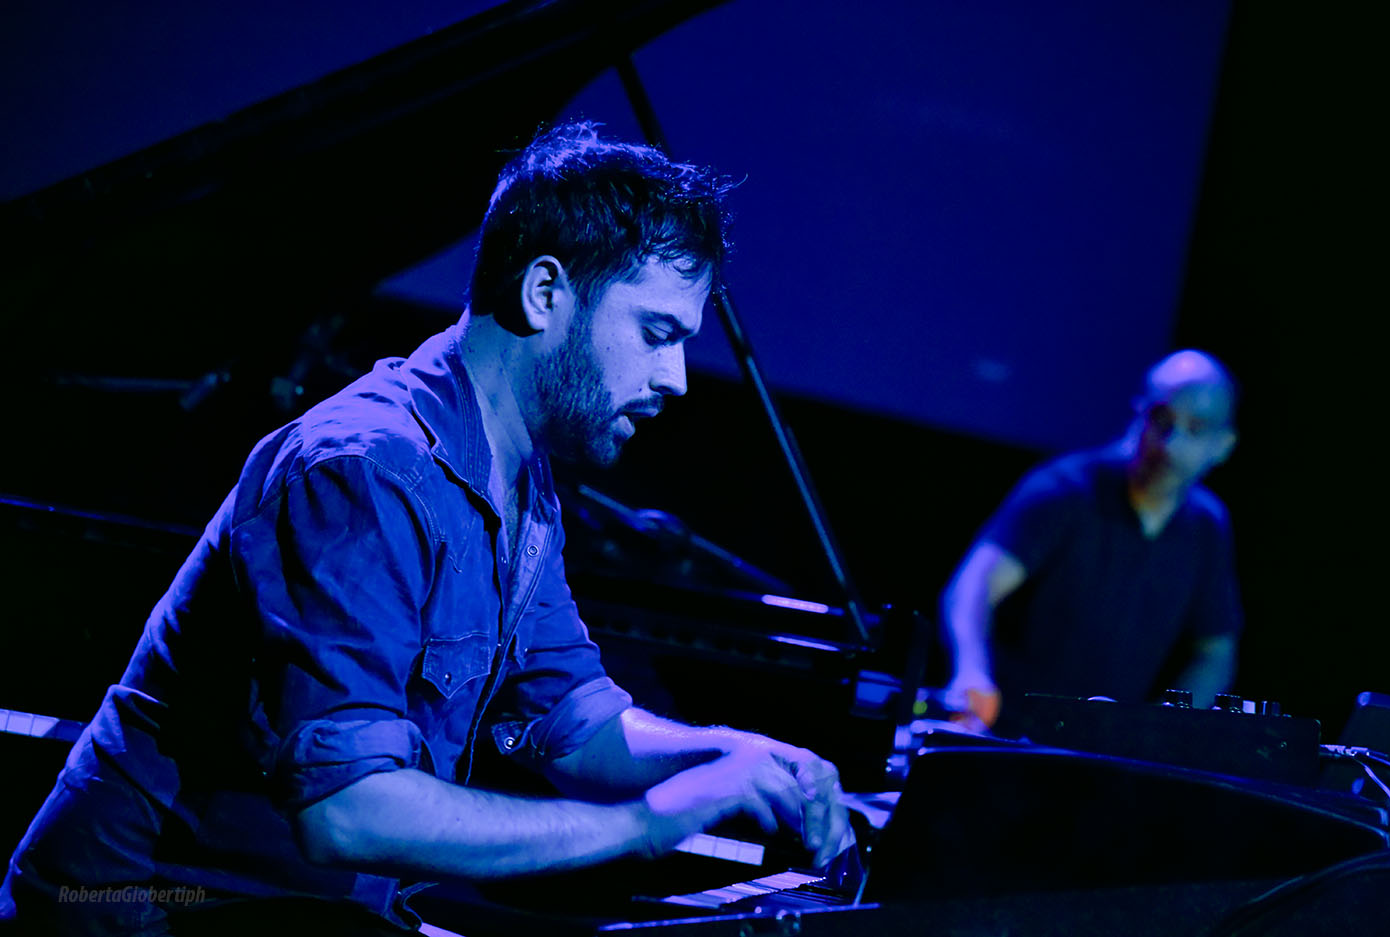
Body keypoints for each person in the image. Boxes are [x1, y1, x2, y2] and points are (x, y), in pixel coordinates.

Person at [0, 123, 852, 936]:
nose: (677, 380)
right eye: (656, 332)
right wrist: (647, 821)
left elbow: (574, 723)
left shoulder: (522, 476)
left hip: (300, 915)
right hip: (145, 912)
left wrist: (742, 757)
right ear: (545, 291)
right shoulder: (365, 471)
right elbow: (348, 812)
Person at [937, 349, 1243, 730]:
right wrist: (971, 671)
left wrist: (1162, 726)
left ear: (1224, 444)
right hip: (1007, 735)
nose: (1171, 443)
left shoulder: (1207, 526)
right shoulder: (1065, 490)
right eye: (1161, 419)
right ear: (1139, 414)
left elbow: (1215, 654)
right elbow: (974, 587)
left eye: (1196, 428)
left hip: (1103, 756)